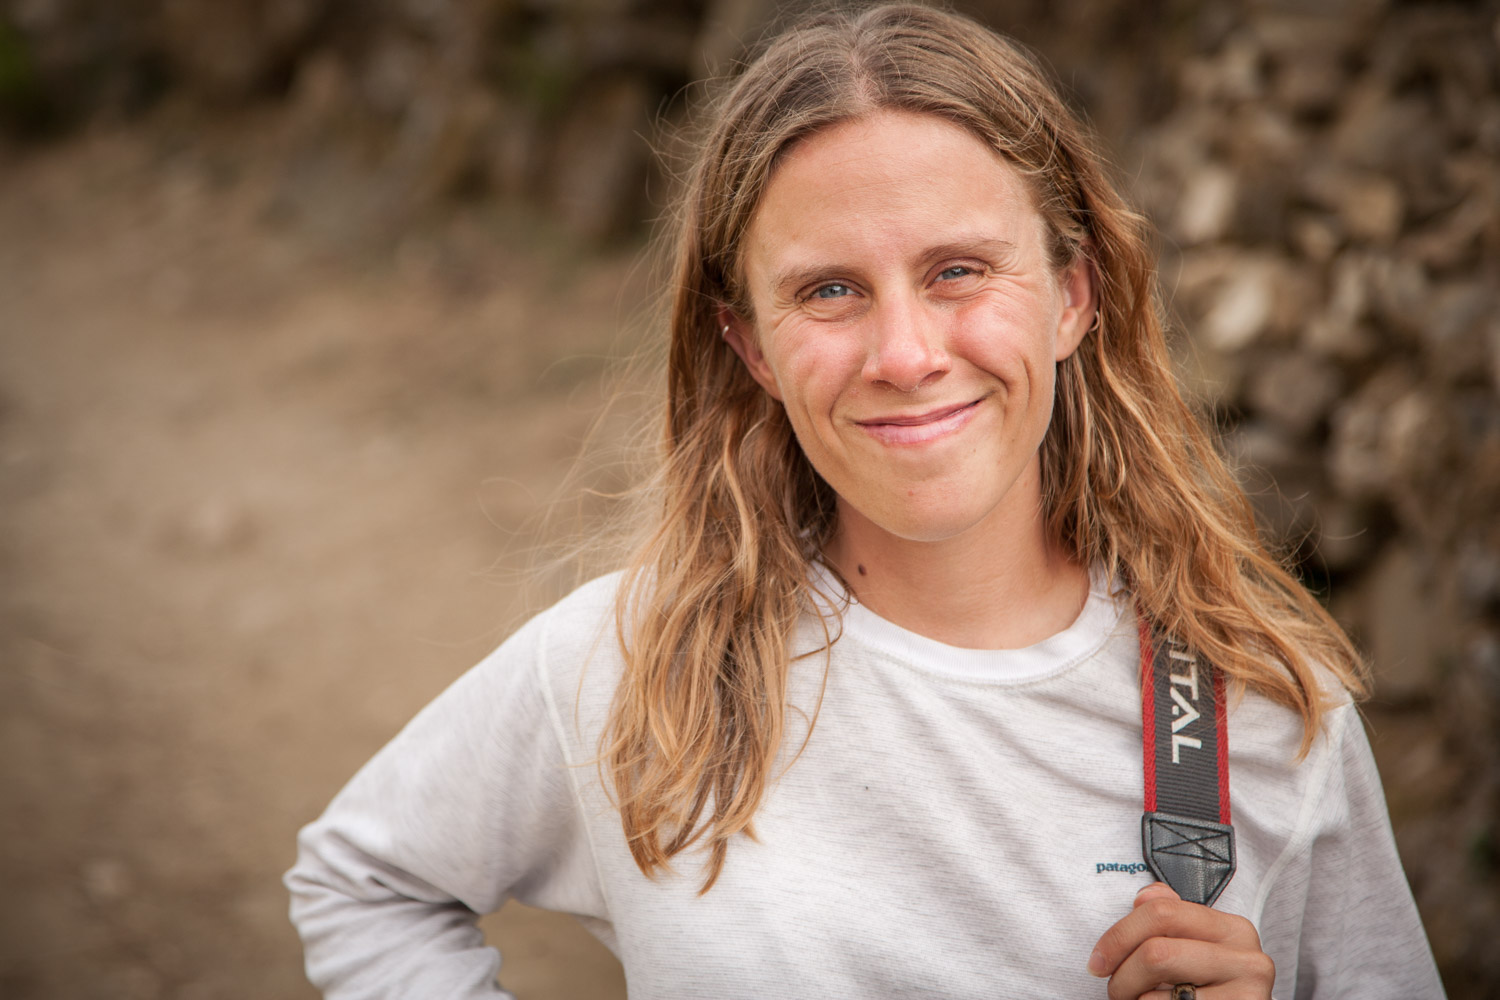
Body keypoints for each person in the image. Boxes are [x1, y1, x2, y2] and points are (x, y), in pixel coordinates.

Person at [285, 5, 1444, 998]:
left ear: (1073, 296)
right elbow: (365, 878)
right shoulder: (636, 667)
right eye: (829, 289)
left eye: (959, 270)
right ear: (748, 343)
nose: (905, 352)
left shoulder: (1266, 711)